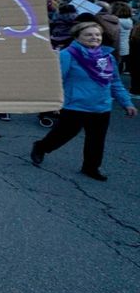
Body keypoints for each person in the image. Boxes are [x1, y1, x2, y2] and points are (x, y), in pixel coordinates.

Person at [30, 20, 136, 181]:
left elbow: (115, 82)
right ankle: (41, 147)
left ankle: (91, 167)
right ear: (77, 37)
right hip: (75, 106)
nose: (94, 37)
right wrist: (54, 102)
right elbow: (57, 80)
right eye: (88, 34)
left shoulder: (107, 57)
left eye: (97, 34)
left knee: (96, 139)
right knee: (63, 134)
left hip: (102, 106)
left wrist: (127, 103)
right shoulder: (67, 55)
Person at [111, 1, 132, 73]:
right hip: (125, 47)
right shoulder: (129, 21)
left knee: (114, 67)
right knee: (120, 66)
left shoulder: (116, 21)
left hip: (116, 47)